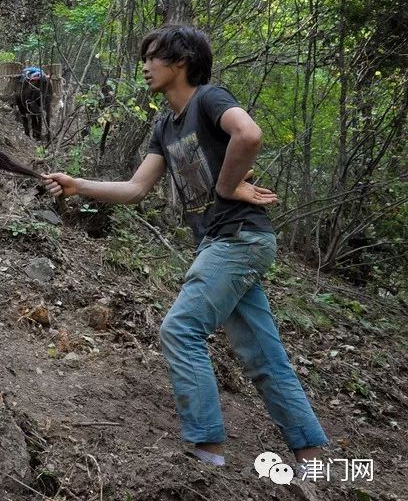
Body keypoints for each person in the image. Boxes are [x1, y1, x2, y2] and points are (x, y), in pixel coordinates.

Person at [42, 24, 327, 467]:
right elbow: (136, 189)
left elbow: (248, 134)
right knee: (261, 350)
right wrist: (78, 185)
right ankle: (312, 453)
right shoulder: (165, 126)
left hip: (239, 237)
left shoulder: (209, 99)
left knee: (180, 329)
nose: (145, 66)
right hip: (223, 242)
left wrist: (228, 185)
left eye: (153, 57)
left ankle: (206, 450)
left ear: (182, 62)